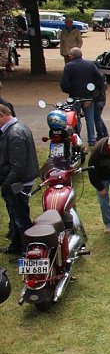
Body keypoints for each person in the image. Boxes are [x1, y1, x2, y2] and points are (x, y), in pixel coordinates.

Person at [0, 104, 39, 255]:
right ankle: (17, 245)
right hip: (17, 181)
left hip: (18, 183)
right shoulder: (16, 129)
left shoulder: (14, 133)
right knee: (16, 215)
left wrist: (5, 186)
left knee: (21, 218)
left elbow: (18, 167)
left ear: (1, 116)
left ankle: (27, 249)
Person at [60, 47, 107, 145]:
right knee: (90, 119)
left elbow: (64, 83)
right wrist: (94, 91)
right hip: (88, 96)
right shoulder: (90, 64)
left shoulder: (69, 66)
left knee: (75, 118)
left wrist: (69, 90)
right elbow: (99, 78)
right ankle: (91, 139)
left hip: (74, 96)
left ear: (72, 55)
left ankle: (77, 138)